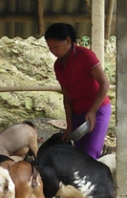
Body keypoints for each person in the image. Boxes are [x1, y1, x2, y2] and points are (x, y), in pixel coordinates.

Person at [44, 22, 111, 159]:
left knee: (90, 154)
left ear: (68, 41)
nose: (53, 51)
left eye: (56, 46)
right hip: (78, 113)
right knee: (78, 155)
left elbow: (104, 83)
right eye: (50, 47)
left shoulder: (85, 55)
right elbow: (67, 97)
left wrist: (92, 111)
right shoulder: (58, 65)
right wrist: (69, 125)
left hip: (98, 110)